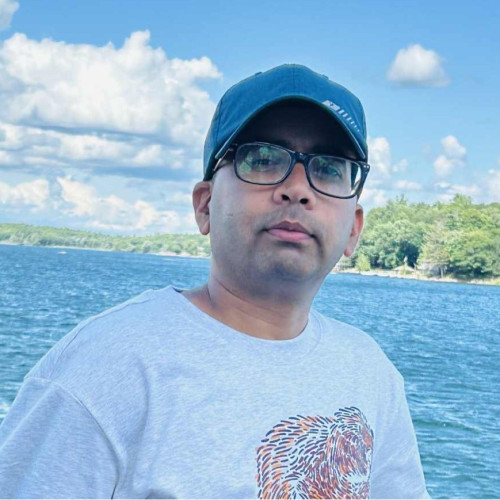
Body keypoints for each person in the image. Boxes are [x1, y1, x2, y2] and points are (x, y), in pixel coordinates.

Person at [0, 64, 429, 498]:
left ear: (354, 228)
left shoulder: (371, 374)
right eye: (263, 159)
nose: (298, 189)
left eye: (330, 168)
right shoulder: (105, 369)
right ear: (204, 206)